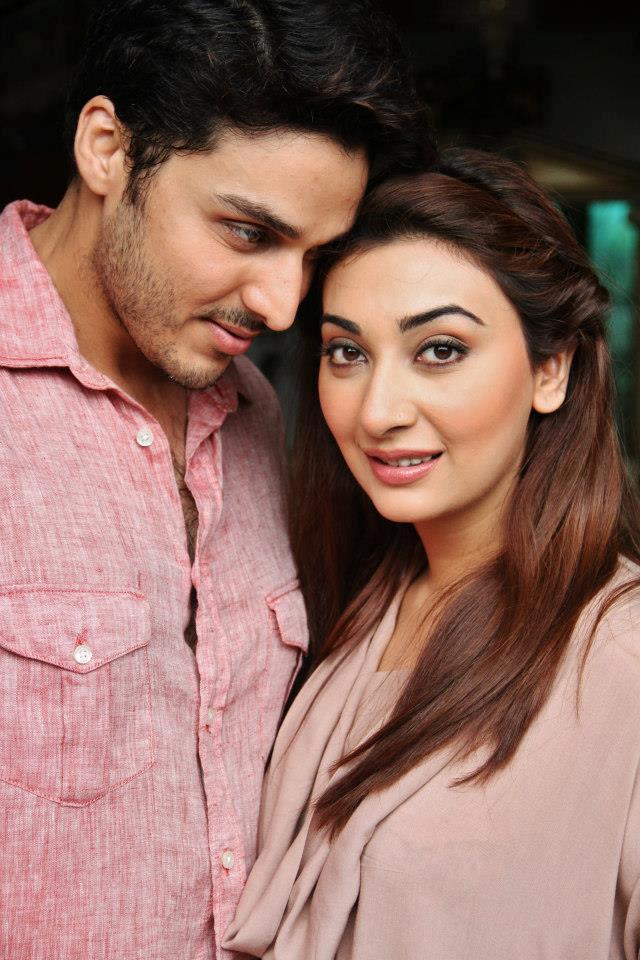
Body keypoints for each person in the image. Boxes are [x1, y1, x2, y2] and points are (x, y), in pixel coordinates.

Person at [0, 2, 433, 958]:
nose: (282, 305)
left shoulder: (258, 413)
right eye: (247, 232)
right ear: (108, 149)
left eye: (314, 257)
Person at [224, 148, 640, 959]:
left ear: (551, 369)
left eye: (440, 349)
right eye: (347, 353)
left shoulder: (618, 656)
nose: (378, 410)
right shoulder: (353, 608)